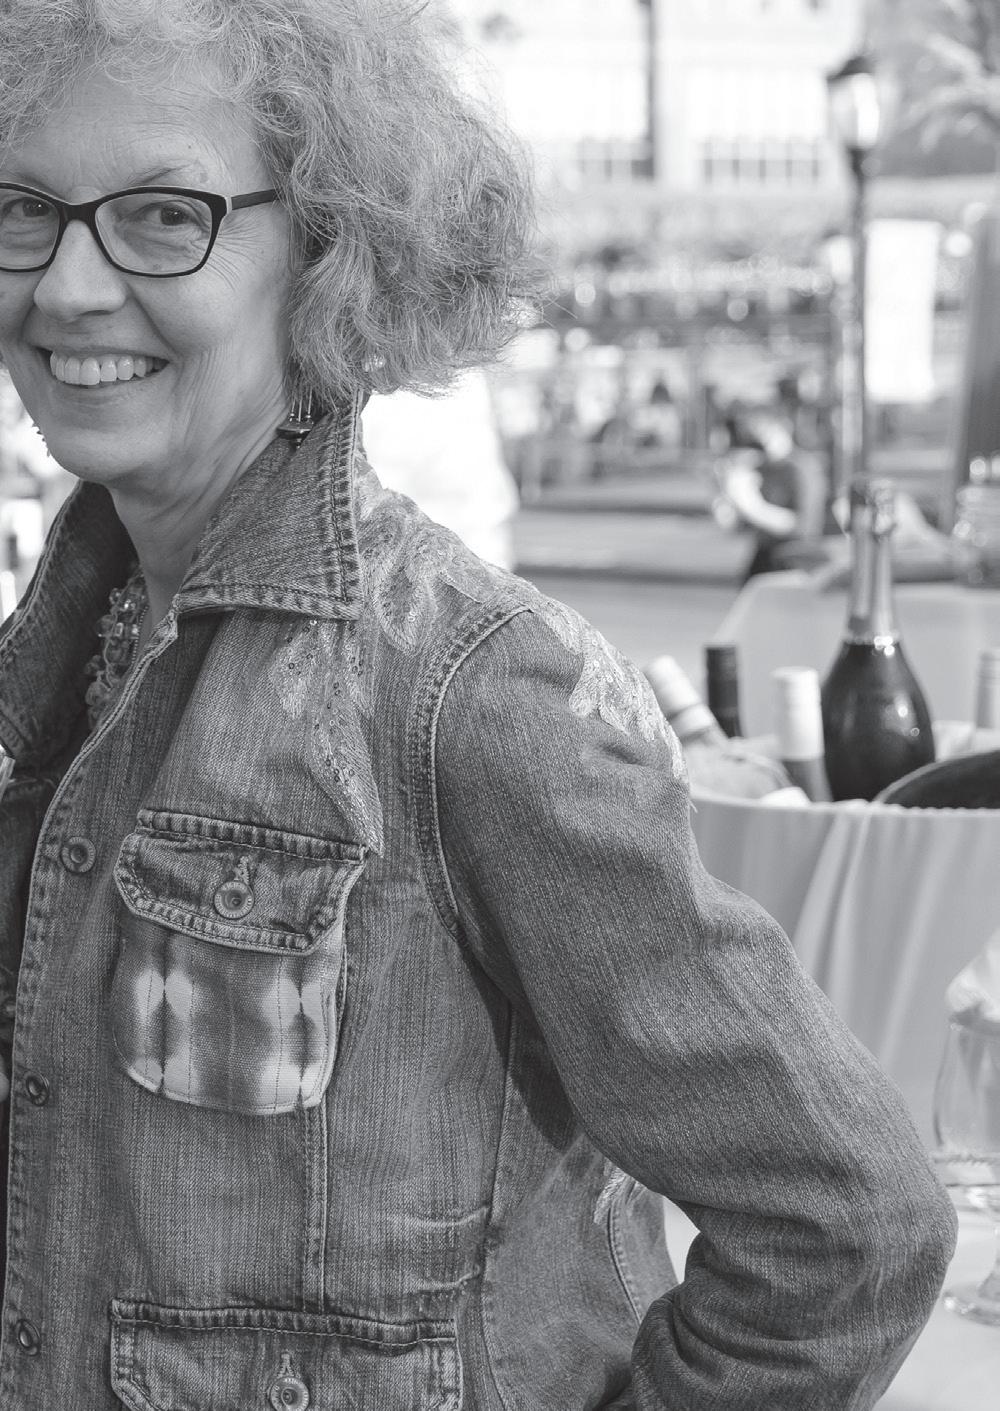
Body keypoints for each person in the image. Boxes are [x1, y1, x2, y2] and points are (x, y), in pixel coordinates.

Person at [0, 2, 955, 1407]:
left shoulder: (470, 688)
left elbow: (849, 1227)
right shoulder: (57, 661)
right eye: (26, 209)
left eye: (160, 217)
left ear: (331, 251)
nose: (67, 285)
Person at [716, 403, 829, 581]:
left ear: (784, 428)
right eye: (755, 435)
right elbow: (740, 526)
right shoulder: (761, 468)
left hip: (795, 559)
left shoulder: (803, 467)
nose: (763, 441)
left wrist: (751, 506)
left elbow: (804, 527)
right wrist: (728, 501)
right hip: (764, 557)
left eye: (767, 432)